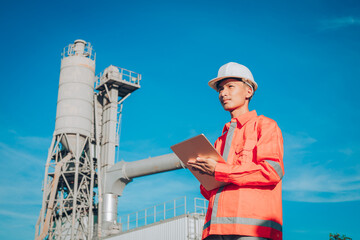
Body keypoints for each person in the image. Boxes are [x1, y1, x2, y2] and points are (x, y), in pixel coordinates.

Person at [187, 62, 284, 240]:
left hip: (252, 230)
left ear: (249, 92)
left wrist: (219, 170)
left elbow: (272, 172)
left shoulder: (265, 126)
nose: (223, 93)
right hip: (215, 232)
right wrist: (203, 174)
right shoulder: (219, 140)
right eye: (220, 89)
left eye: (230, 86)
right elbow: (211, 191)